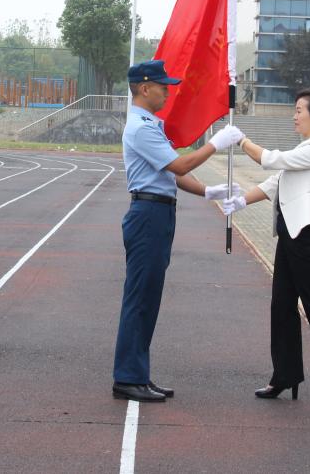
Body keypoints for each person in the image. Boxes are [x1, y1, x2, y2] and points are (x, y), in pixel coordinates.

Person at [112, 59, 244, 403]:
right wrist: (216, 144)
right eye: (162, 87)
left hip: (157, 213)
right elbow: (180, 165)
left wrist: (208, 191)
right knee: (140, 298)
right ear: (144, 88)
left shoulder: (150, 125)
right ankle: (128, 377)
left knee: (148, 298)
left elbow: (171, 173)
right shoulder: (141, 128)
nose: (167, 92)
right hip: (148, 215)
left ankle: (137, 374)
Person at [222, 88, 310, 407]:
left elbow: (272, 161)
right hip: (290, 234)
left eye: (300, 110)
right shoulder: (305, 148)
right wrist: (240, 201)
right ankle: (285, 375)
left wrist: (241, 140)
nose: (294, 115)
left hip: (307, 236)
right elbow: (276, 182)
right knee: (282, 305)